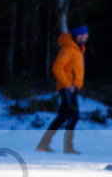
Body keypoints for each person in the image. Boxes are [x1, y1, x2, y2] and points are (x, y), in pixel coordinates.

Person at [37, 24, 88, 153]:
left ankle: (44, 144)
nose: (87, 36)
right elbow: (56, 68)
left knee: (63, 116)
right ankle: (68, 147)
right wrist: (68, 85)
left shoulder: (78, 49)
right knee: (73, 115)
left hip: (72, 89)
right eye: (85, 34)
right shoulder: (68, 50)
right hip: (67, 88)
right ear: (79, 36)